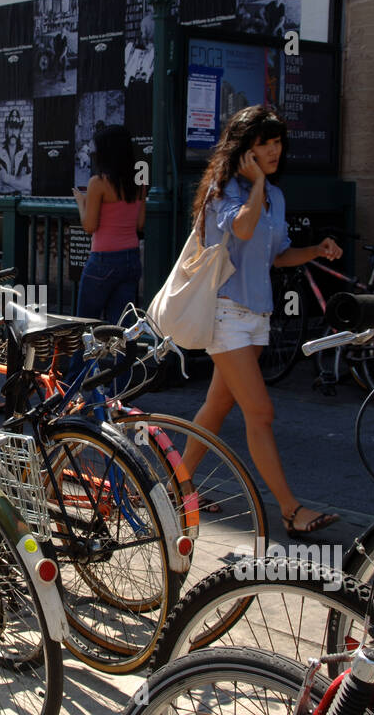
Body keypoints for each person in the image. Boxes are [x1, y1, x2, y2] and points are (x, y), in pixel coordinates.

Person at [180, 105, 343, 539]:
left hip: (257, 317)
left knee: (217, 406)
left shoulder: (275, 194)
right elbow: (246, 229)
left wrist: (316, 250)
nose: (274, 151)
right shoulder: (224, 190)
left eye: (277, 143)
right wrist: (255, 185)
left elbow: (276, 253)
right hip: (226, 313)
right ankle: (290, 510)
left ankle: (176, 485)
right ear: (244, 151)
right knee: (261, 412)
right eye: (264, 145)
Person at [72, 125, 145, 324]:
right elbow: (140, 223)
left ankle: (81, 358)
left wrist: (81, 201)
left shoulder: (98, 182)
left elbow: (89, 226)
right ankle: (120, 357)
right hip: (131, 256)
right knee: (121, 327)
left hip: (103, 259)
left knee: (84, 325)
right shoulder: (138, 183)